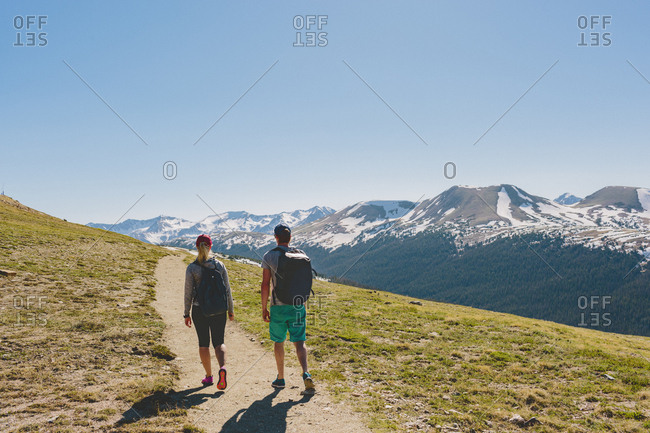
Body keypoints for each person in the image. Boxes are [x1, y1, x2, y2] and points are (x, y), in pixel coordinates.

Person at [261, 224, 315, 393]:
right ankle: (306, 373)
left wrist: (264, 308)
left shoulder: (269, 256)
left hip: (278, 306)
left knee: (279, 342)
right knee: (300, 341)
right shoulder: (301, 254)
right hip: (298, 305)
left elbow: (265, 284)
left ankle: (280, 378)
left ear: (275, 237)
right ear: (290, 238)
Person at [184, 234, 234, 389]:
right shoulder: (219, 265)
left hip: (200, 310)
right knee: (219, 342)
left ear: (196, 247)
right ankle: (223, 368)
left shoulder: (192, 268)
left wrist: (186, 313)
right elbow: (227, 290)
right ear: (210, 246)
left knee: (203, 343)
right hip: (219, 309)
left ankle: (209, 377)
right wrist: (230, 309)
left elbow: (188, 293)